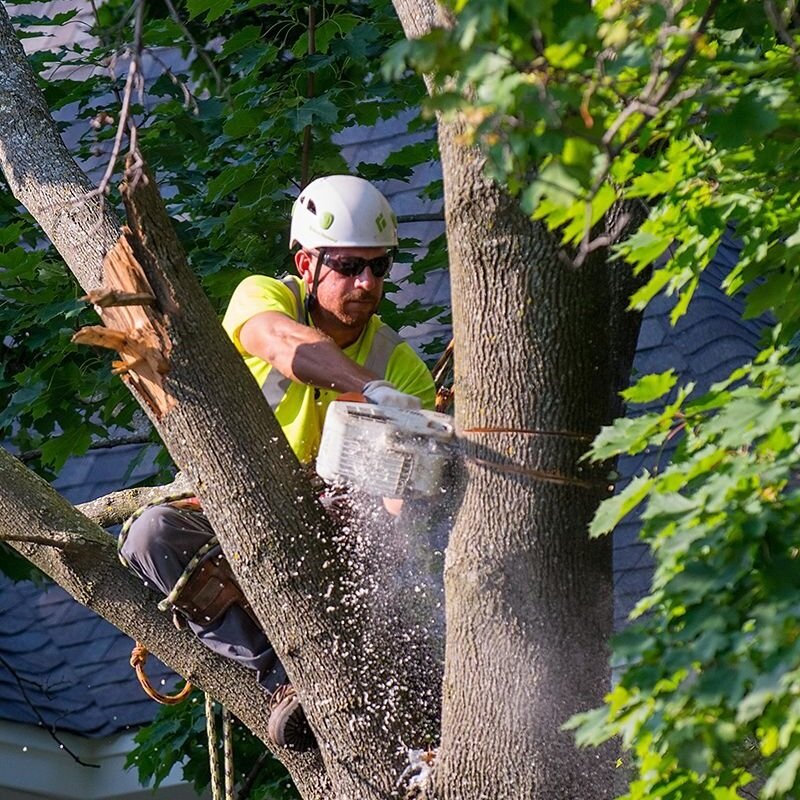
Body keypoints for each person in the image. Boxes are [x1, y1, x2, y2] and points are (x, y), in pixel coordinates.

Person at [119, 175, 436, 751]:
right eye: (346, 265)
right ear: (306, 263)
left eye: (378, 267)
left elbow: (396, 507)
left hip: (335, 529)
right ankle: (284, 681)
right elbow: (282, 344)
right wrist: (371, 392)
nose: (365, 282)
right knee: (152, 535)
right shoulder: (264, 298)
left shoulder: (401, 364)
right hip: (236, 506)